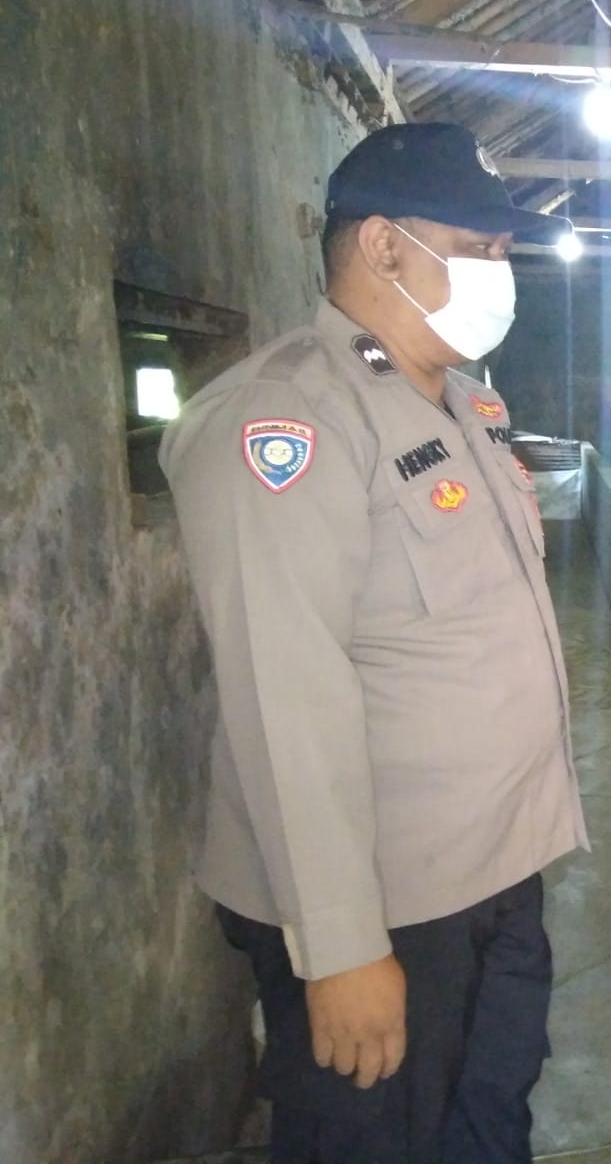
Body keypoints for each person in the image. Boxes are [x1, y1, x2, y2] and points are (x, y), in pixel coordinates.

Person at [160, 122, 587, 1164]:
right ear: (384, 246)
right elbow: (284, 696)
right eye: (477, 248)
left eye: (503, 251)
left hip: (494, 873)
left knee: (489, 1121)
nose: (499, 272)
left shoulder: (470, 407)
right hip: (385, 908)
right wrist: (341, 947)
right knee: (373, 1141)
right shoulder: (288, 418)